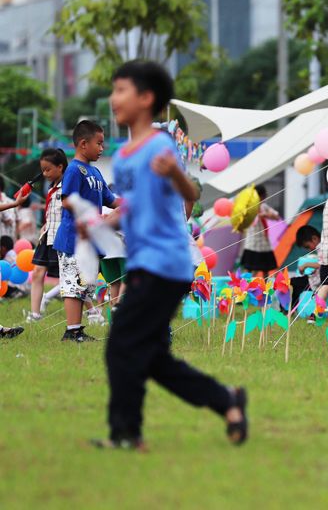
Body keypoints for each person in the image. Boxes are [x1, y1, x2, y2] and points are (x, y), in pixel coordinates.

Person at [93, 60, 246, 450]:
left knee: (121, 345)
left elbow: (190, 194)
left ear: (146, 99)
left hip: (166, 264)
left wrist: (174, 174)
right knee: (154, 358)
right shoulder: (124, 156)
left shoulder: (160, 146)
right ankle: (227, 401)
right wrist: (97, 224)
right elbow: (132, 206)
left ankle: (127, 433)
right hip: (145, 260)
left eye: (121, 90)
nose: (113, 99)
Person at [54, 120, 121, 342]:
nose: (102, 148)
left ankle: (77, 329)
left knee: (84, 285)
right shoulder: (74, 170)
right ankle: (72, 331)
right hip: (73, 238)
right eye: (99, 143)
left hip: (90, 241)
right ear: (83, 144)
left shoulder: (96, 172)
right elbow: (66, 201)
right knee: (73, 285)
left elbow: (111, 201)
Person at [27, 148, 67, 322]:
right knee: (37, 273)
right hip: (47, 236)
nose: (45, 173)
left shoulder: (68, 186)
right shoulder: (51, 188)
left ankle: (92, 312)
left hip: (62, 238)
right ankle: (35, 315)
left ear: (60, 167)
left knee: (69, 278)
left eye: (48, 169)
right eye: (43, 170)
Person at [239, 185, 280, 275]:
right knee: (248, 269)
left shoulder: (264, 207)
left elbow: (276, 216)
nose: (264, 198)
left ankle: (265, 286)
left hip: (264, 244)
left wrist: (267, 215)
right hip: (252, 244)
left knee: (266, 269)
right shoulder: (249, 208)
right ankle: (246, 286)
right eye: (263, 196)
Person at [293, 225, 322, 312]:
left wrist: (306, 265)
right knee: (295, 282)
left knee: (294, 283)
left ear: (314, 239)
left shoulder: (322, 247)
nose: (309, 250)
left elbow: (324, 264)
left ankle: (289, 310)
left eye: (307, 247)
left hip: (318, 282)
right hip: (315, 278)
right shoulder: (320, 247)